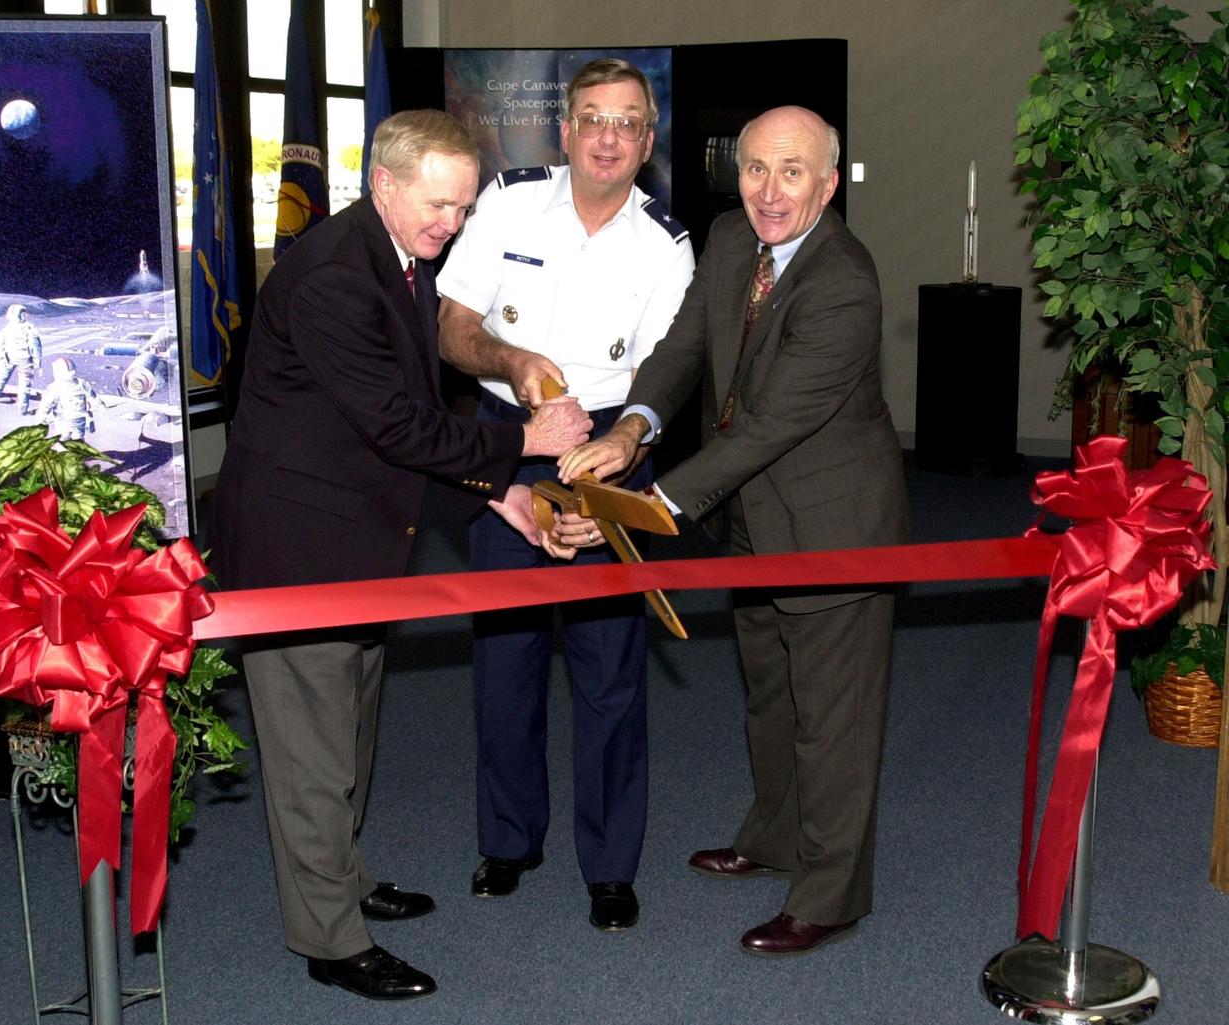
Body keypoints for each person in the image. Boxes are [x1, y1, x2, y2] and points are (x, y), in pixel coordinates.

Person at [209, 110, 591, 1002]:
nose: (452, 223)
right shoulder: (338, 276)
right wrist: (522, 445)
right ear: (384, 183)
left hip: (362, 538)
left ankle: (340, 877)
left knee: (350, 729)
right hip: (298, 550)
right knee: (313, 753)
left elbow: (401, 417)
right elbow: (394, 422)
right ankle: (331, 937)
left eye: (463, 206)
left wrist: (499, 493)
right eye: (439, 203)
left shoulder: (397, 255)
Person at [558, 106, 910, 956]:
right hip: (752, 515)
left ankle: (830, 892)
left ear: (827, 184)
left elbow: (769, 426)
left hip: (834, 524)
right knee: (770, 694)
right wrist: (631, 426)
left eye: (792, 172)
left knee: (832, 716)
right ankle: (776, 836)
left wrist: (654, 506)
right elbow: (683, 348)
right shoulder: (726, 240)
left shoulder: (845, 282)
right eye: (756, 168)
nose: (770, 190)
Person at [436, 58, 695, 932]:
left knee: (610, 669)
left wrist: (612, 463)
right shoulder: (507, 203)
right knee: (504, 666)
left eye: (628, 122)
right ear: (564, 131)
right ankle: (508, 841)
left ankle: (611, 865)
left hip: (614, 451)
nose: (609, 137)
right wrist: (512, 364)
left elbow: (666, 374)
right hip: (507, 441)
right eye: (592, 118)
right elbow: (454, 328)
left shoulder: (668, 245)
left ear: (648, 141)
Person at [0, 303, 43, 415]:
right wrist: (37, 361)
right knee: (25, 383)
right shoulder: (29, 328)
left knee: (4, 374)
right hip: (25, 359)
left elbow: (1, 344)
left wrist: (1, 357)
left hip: (9, 357)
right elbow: (36, 346)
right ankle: (22, 409)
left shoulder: (7, 329)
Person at [37, 356, 102, 441]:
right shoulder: (81, 383)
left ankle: (65, 451)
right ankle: (78, 450)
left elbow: (47, 403)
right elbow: (92, 395)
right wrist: (100, 405)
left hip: (62, 420)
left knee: (62, 440)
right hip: (79, 419)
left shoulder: (55, 387)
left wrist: (41, 418)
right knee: (78, 439)